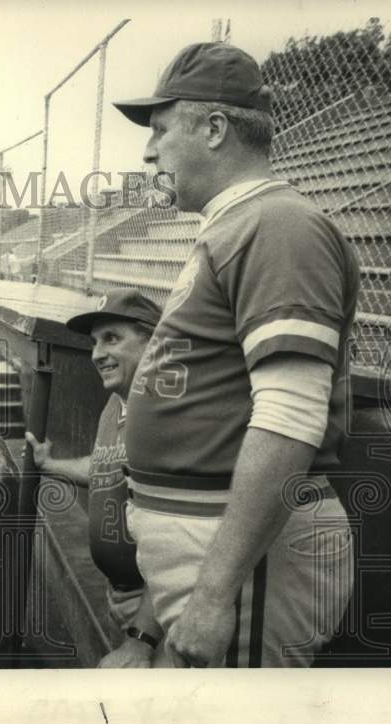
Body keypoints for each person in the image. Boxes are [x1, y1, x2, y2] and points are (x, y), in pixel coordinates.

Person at [112, 41, 359, 667]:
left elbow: (291, 414)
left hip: (249, 560)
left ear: (215, 128)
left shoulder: (278, 224)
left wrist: (215, 594)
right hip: (220, 553)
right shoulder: (239, 224)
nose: (149, 151)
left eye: (162, 131)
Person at [25, 288, 164, 668]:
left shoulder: (165, 414)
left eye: (113, 338)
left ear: (153, 342)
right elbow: (105, 467)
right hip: (122, 597)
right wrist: (51, 465)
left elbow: (178, 537)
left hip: (159, 611)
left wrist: (141, 638)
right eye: (94, 342)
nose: (97, 353)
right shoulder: (115, 404)